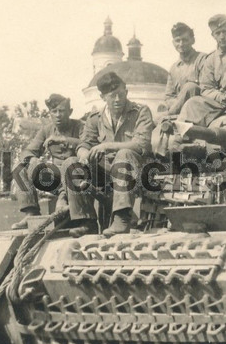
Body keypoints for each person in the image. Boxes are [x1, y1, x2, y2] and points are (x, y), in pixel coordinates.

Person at [59, 71, 154, 237]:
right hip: (107, 173)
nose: (117, 100)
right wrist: (83, 155)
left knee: (124, 154)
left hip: (138, 172)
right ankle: (86, 222)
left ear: (126, 91)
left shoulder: (140, 112)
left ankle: (121, 218)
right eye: (112, 96)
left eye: (120, 94)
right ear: (103, 97)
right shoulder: (95, 118)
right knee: (71, 163)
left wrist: (107, 146)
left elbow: (141, 144)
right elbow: (84, 143)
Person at [11, 93, 82, 229]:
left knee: (72, 163)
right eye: (53, 111)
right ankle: (31, 212)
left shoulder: (80, 127)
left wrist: (64, 140)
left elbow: (88, 145)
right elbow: (28, 151)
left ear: (70, 112)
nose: (58, 115)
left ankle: (63, 198)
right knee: (20, 167)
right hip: (56, 179)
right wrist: (32, 160)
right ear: (50, 113)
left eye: (61, 111)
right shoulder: (47, 130)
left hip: (78, 179)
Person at [161, 23, 206, 116]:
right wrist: (179, 103)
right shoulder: (174, 68)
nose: (181, 44)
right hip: (180, 112)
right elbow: (168, 97)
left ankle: (168, 116)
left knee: (190, 86)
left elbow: (205, 89)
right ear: (173, 42)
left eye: (185, 40)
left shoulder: (203, 59)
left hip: (198, 110)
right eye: (177, 40)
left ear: (193, 40)